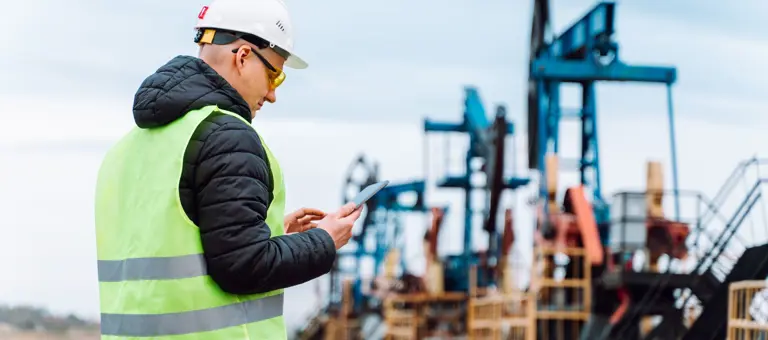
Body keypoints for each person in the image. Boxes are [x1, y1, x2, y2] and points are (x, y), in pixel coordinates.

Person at [93, 0, 361, 339]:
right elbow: (244, 268)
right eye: (274, 73)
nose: (273, 93)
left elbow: (169, 247)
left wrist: (267, 232)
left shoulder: (127, 148)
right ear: (243, 56)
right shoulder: (227, 136)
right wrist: (323, 240)